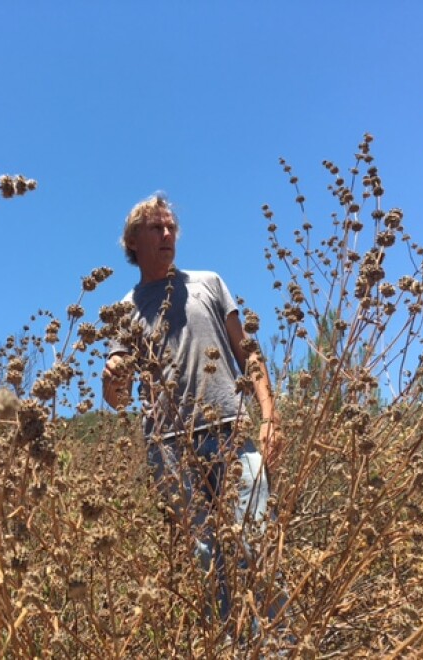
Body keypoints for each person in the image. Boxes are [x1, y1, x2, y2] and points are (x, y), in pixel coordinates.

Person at [102, 193, 286, 627]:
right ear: (133, 242)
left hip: (231, 432)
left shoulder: (209, 283)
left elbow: (248, 352)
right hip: (169, 449)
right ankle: (230, 646)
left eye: (171, 227)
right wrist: (112, 376)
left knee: (259, 546)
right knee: (207, 563)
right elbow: (118, 398)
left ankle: (281, 648)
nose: (167, 234)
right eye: (156, 227)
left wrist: (269, 415)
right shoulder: (124, 310)